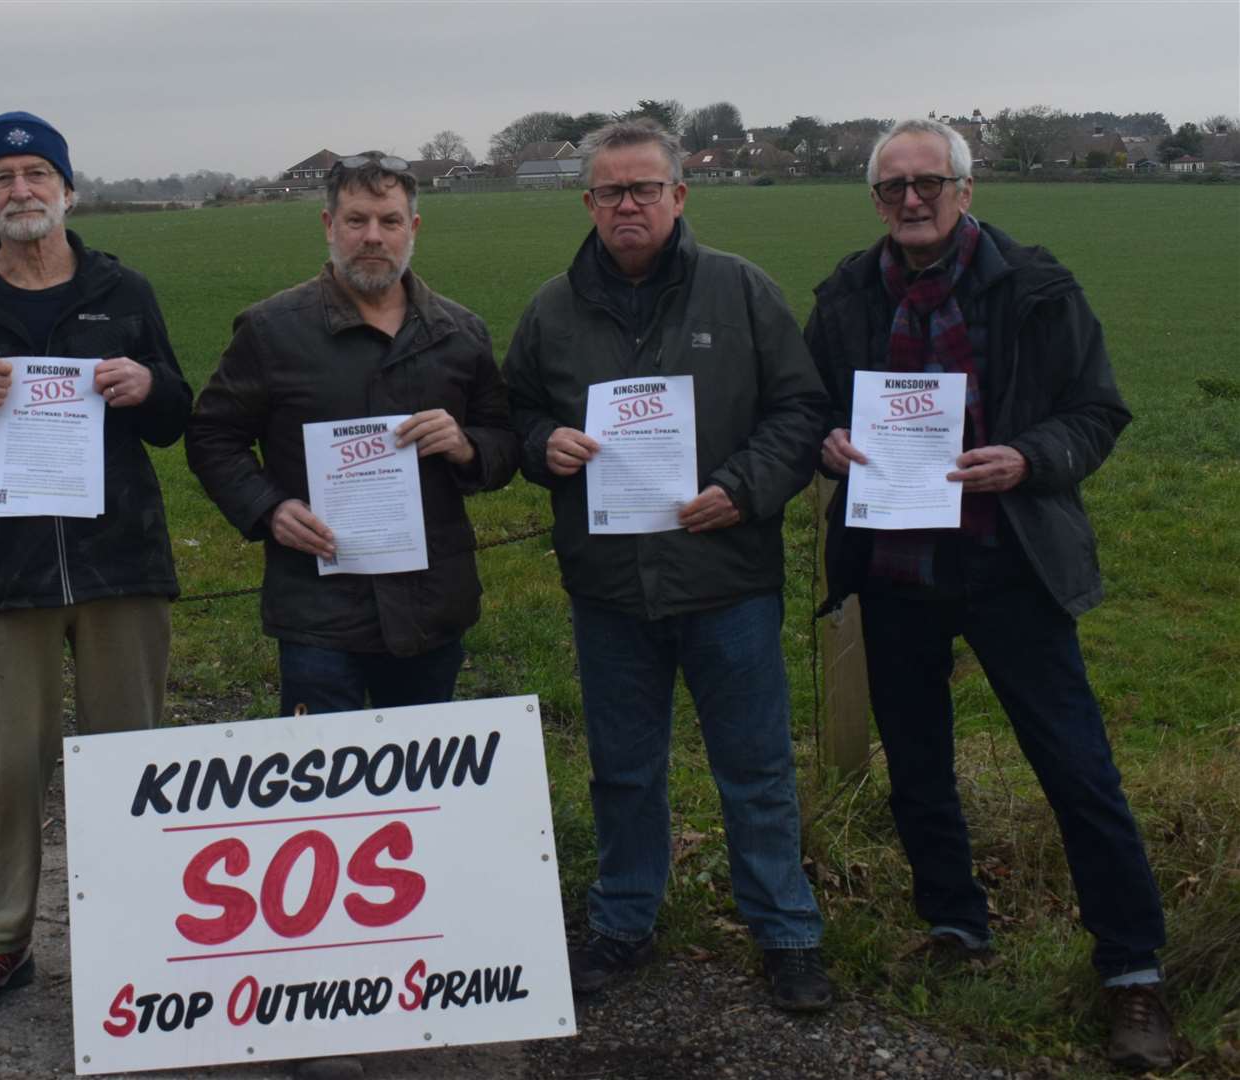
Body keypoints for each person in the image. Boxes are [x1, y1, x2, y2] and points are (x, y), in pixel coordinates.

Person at [805, 117, 1174, 1071]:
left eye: (931, 182)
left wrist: (1030, 458)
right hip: (895, 573)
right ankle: (955, 926)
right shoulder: (846, 295)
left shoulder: (1038, 289)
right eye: (893, 188)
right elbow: (805, 406)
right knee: (918, 763)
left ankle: (1133, 974)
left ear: (968, 189)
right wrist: (826, 444)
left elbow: (1098, 411)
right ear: (876, 200)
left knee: (1078, 770)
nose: (912, 200)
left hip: (1009, 566)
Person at [503, 119, 833, 1011]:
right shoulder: (551, 309)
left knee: (756, 767)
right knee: (623, 768)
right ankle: (623, 920)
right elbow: (516, 415)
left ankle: (788, 933)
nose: (627, 205)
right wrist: (544, 444)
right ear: (588, 204)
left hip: (725, 576)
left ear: (679, 196)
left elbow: (801, 411)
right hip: (609, 587)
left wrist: (747, 486)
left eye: (644, 188)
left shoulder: (742, 292)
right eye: (610, 191)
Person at [0, 112, 191, 1020]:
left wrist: (147, 386)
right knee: (9, 767)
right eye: (3, 177)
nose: (22, 190)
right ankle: (3, 942)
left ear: (67, 189)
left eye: (37, 173)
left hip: (120, 565)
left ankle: (135, 935)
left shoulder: (123, 292)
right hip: (1, 570)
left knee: (129, 763)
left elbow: (178, 412)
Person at [186, 154, 518, 719]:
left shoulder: (459, 333)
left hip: (432, 600)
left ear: (412, 230)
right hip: (318, 608)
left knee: (422, 779)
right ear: (328, 225)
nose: (372, 237)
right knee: (327, 789)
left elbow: (506, 439)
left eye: (389, 222)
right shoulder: (271, 331)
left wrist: (466, 445)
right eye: (356, 220)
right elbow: (212, 434)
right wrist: (268, 507)